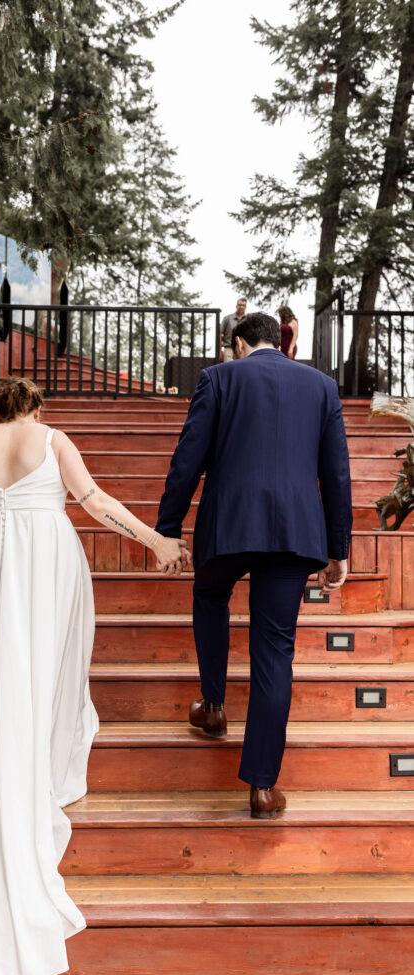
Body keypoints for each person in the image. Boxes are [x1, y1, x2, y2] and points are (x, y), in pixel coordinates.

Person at [0, 376, 185, 975]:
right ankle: (31, 775)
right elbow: (93, 501)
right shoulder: (54, 438)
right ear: (36, 407)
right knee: (40, 674)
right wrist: (154, 542)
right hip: (46, 568)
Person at [154, 312, 352, 819]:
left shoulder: (218, 378)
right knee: (274, 653)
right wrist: (339, 548)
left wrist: (169, 530)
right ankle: (263, 786)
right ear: (277, 341)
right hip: (294, 534)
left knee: (209, 595)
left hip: (230, 528)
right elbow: (336, 472)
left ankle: (214, 707)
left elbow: (188, 457)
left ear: (239, 343)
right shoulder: (322, 387)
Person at [220, 297, 247, 362]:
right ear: (236, 306)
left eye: (243, 305)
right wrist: (220, 351)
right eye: (240, 305)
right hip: (229, 349)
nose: (241, 307)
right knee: (228, 370)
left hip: (243, 350)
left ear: (245, 307)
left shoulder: (248, 319)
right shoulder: (227, 318)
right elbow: (220, 334)